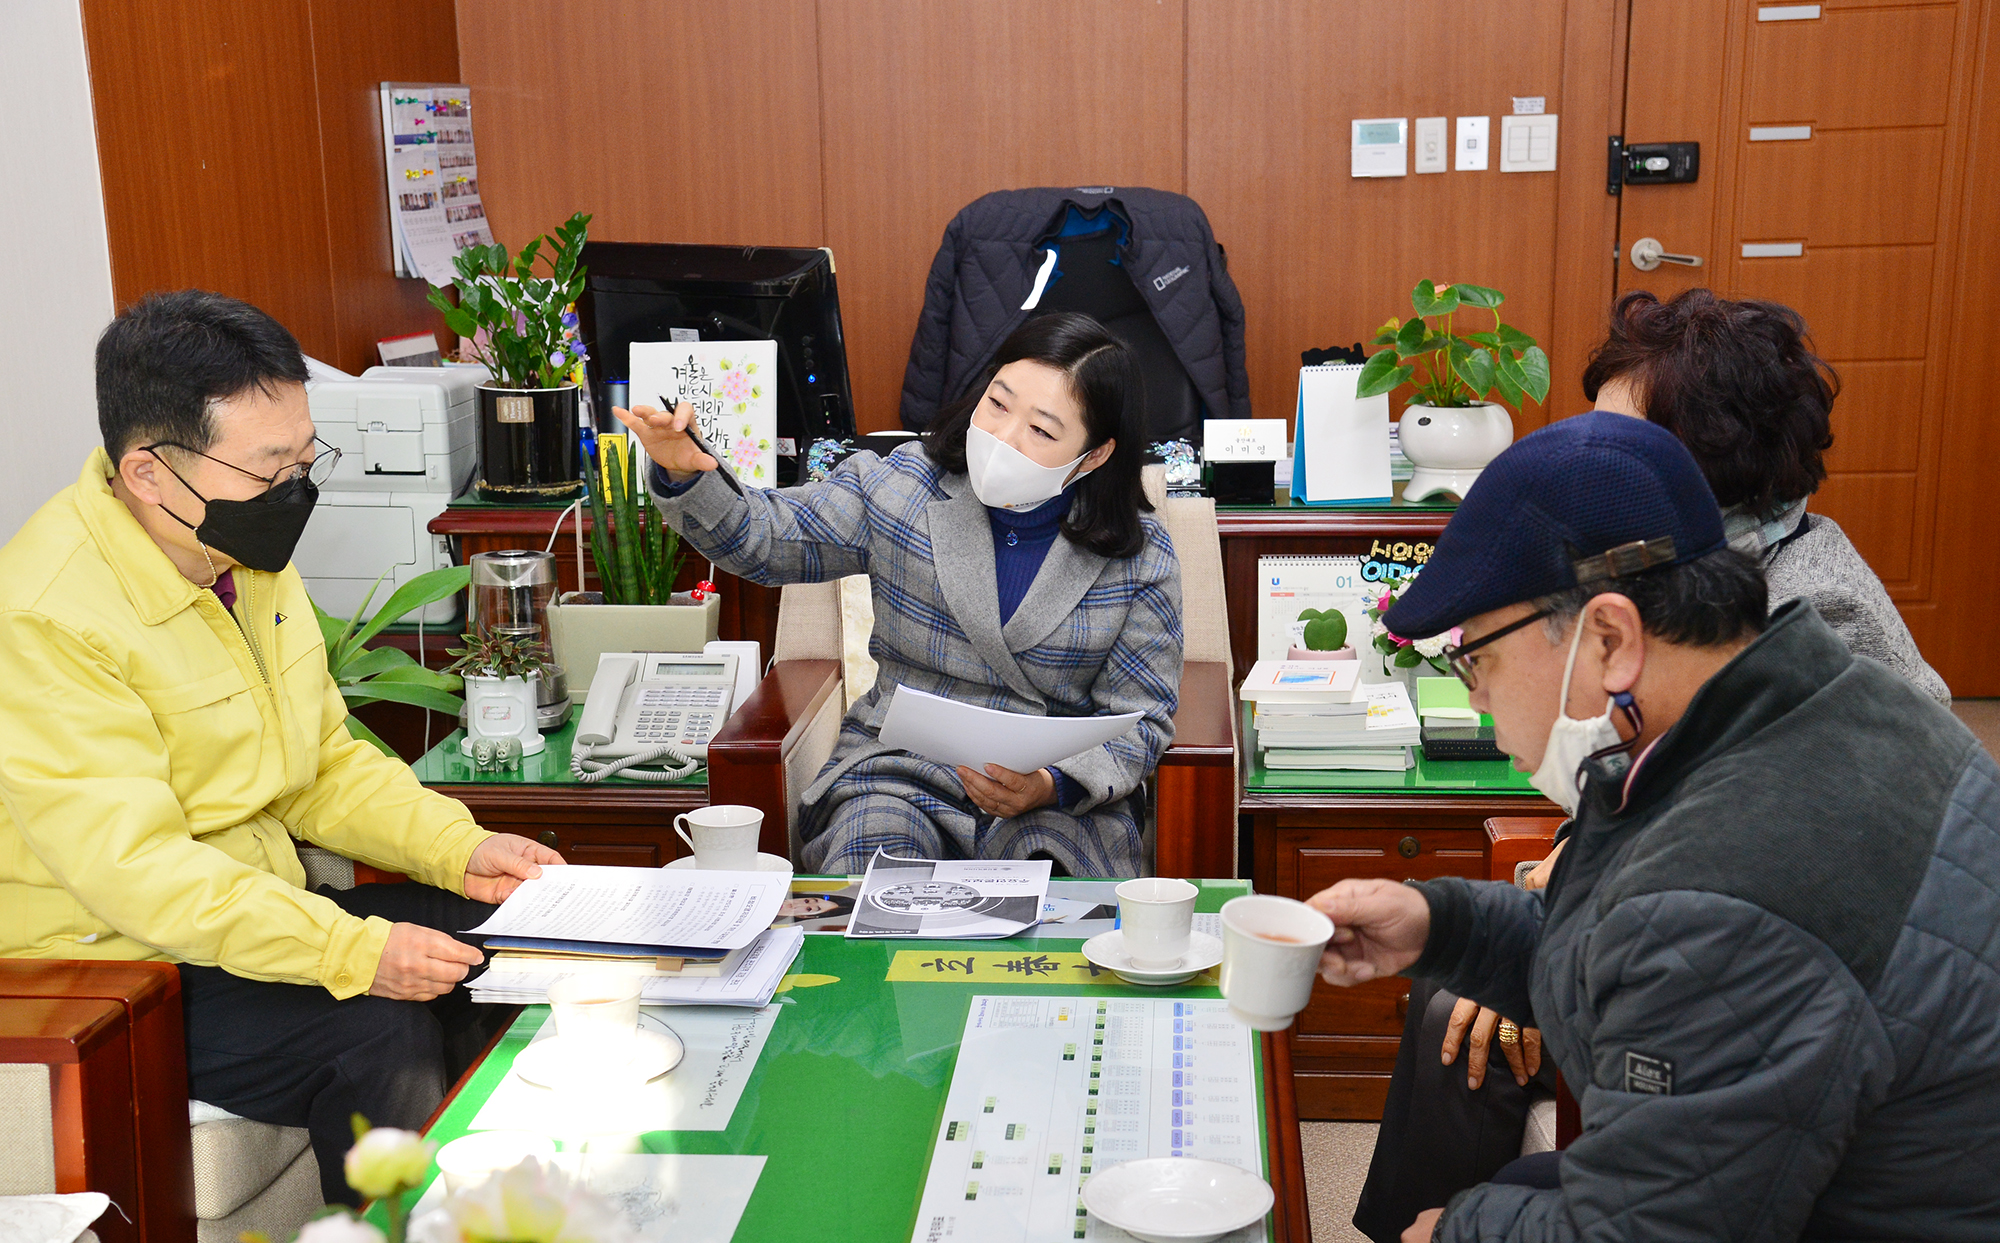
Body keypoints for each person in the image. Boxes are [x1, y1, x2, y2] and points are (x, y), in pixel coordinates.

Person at [1352, 289, 1957, 1240]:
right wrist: (1442, 923)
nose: (1472, 696)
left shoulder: (1745, 848)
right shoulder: (1750, 663)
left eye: (1476, 659)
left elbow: (1656, 1223)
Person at [0, 290, 564, 1206]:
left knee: (512, 940)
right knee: (380, 1029)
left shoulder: (237, 548)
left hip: (247, 915)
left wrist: (458, 849)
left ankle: (511, 1206)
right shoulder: (47, 617)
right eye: (271, 469)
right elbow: (138, 872)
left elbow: (320, 764)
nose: (296, 491)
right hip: (117, 964)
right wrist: (350, 950)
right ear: (147, 473)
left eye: (306, 460)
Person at [617, 312, 1183, 877]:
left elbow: (1140, 719)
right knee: (877, 875)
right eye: (997, 404)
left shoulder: (1139, 554)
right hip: (899, 775)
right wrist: (686, 474)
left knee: (1052, 902)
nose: (1002, 438)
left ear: (1096, 454)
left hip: (1056, 804)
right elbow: (765, 540)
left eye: (1041, 431)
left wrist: (1050, 783)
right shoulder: (905, 486)